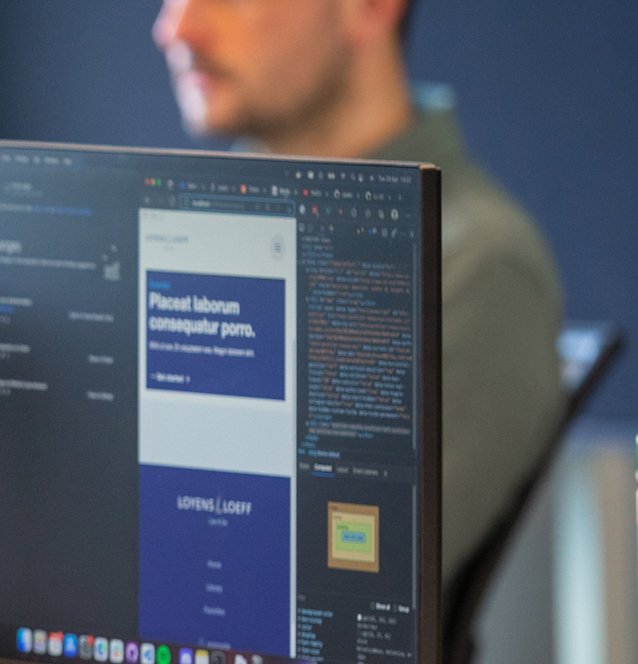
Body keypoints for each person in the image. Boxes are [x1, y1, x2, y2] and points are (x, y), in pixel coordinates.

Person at [153, 0, 562, 593]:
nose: (176, 29)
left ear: (369, 8)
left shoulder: (475, 269)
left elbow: (339, 588)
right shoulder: (190, 239)